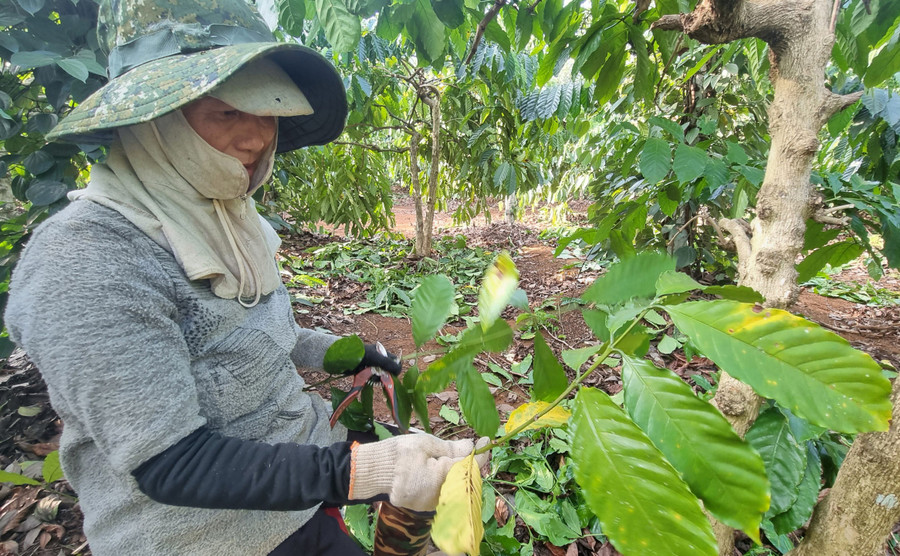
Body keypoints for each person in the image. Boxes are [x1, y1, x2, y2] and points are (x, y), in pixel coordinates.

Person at [4, 0, 487, 554]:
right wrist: (365, 470)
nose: (257, 138)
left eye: (267, 113)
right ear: (154, 121)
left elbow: (254, 337)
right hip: (203, 534)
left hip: (297, 471)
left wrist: (351, 352)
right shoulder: (87, 259)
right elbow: (171, 463)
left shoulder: (227, 220)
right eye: (227, 113)